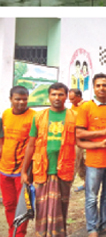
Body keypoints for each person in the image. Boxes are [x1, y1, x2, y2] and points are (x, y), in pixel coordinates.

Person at [21, 83, 78, 237]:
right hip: (42, 169)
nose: (57, 98)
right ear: (49, 96)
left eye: (60, 94)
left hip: (64, 169)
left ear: (66, 96)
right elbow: (31, 145)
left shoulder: (73, 116)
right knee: (42, 210)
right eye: (53, 94)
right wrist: (24, 171)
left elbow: (80, 140)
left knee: (60, 209)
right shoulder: (39, 116)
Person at [76, 74, 106, 237]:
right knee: (91, 197)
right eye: (98, 85)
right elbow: (79, 134)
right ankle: (92, 229)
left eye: (104, 85)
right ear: (93, 88)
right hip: (94, 161)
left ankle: (104, 225)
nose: (101, 88)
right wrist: (102, 133)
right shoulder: (86, 108)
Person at [0, 86, 36, 237]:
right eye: (18, 99)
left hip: (22, 172)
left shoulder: (34, 116)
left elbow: (34, 145)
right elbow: (2, 141)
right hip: (4, 170)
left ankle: (18, 234)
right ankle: (12, 231)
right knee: (9, 205)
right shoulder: (6, 114)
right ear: (10, 99)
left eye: (25, 99)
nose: (22, 102)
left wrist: (27, 172)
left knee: (22, 207)